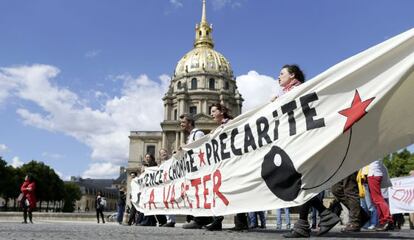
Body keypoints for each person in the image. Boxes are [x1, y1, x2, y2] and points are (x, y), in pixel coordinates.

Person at [275, 65, 340, 238]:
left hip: (300, 142)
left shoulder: (297, 92)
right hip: (299, 142)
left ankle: (320, 217)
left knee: (297, 182)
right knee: (302, 182)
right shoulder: (289, 93)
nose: (278, 76)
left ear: (292, 75)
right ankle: (312, 220)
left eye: (282, 73)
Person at [203, 103, 249, 231]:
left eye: (213, 111)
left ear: (221, 111)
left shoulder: (231, 123)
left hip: (233, 163)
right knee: (219, 190)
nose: (211, 114)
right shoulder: (221, 126)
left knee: (230, 191)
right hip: (226, 164)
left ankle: (238, 222)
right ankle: (222, 221)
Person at [180, 114, 214, 229]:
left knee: (199, 193)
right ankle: (198, 219)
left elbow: (202, 150)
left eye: (183, 122)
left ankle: (199, 220)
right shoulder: (191, 135)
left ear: (189, 123)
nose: (181, 125)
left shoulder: (198, 133)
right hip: (193, 169)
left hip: (199, 169)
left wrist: (186, 147)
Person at [367, 160, 394, 231]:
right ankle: (384, 220)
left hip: (373, 174)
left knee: (377, 199)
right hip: (375, 174)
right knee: (377, 199)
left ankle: (387, 219)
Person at [158, 148, 176, 227]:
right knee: (164, 202)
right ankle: (168, 220)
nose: (163, 154)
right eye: (162, 153)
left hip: (170, 184)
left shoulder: (171, 160)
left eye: (164, 152)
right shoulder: (159, 164)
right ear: (160, 155)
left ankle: (171, 220)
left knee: (169, 202)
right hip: (163, 185)